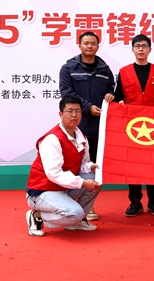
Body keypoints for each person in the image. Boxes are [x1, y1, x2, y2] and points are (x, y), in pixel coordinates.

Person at [25, 95, 102, 236]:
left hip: (63, 188)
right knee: (74, 213)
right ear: (60, 114)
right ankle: (37, 216)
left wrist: (91, 167)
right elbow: (54, 173)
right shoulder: (52, 139)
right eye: (70, 111)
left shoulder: (82, 137)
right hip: (42, 192)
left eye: (78, 111)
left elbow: (83, 164)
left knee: (96, 177)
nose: (74, 115)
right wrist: (83, 183)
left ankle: (77, 221)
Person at [59, 32, 115, 221]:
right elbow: (67, 93)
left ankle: (88, 206)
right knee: (72, 166)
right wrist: (87, 107)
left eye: (93, 43)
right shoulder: (68, 68)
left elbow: (111, 89)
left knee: (93, 168)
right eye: (86, 43)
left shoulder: (105, 69)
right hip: (76, 127)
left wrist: (110, 96)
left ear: (98, 46)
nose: (89, 46)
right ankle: (66, 203)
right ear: (79, 45)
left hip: (99, 128)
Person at [114, 34, 154, 217]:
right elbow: (117, 94)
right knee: (133, 164)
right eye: (137, 46)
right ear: (132, 49)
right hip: (132, 126)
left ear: (150, 49)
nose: (141, 49)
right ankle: (135, 201)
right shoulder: (124, 72)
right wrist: (119, 101)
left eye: (144, 46)